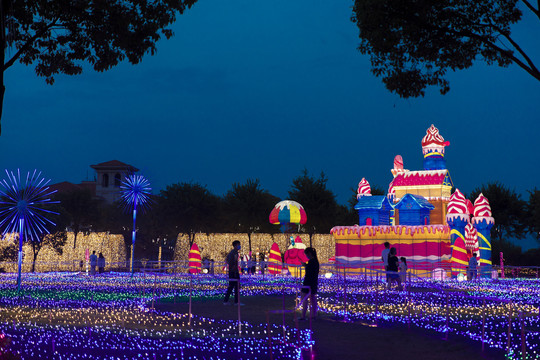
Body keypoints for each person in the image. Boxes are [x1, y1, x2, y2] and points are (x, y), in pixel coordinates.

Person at [299, 247, 320, 320]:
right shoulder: (315, 262)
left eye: (306, 254)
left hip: (308, 282)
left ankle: (303, 316)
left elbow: (309, 272)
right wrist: (306, 265)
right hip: (314, 283)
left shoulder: (311, 262)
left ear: (309, 254)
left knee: (304, 299)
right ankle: (314, 315)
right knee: (313, 300)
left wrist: (305, 266)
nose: (306, 256)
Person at [224, 240, 243, 305]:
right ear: (235, 245)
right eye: (238, 244)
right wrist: (233, 267)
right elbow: (230, 261)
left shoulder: (234, 252)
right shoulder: (233, 253)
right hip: (234, 272)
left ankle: (227, 301)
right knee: (235, 286)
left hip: (233, 271)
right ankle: (235, 301)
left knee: (232, 286)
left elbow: (227, 259)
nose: (239, 246)